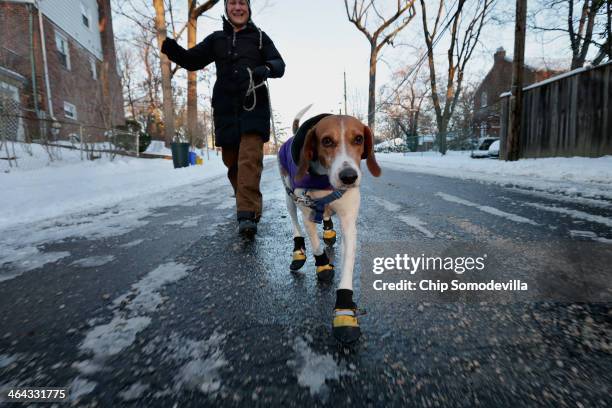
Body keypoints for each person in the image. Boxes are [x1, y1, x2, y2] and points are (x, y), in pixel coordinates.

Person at [161, 0, 285, 235]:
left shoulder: (260, 38)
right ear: (227, 8)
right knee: (233, 163)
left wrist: (266, 69)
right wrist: (169, 47)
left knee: (249, 160)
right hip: (226, 110)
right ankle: (250, 208)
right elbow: (192, 60)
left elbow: (279, 64)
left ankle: (246, 215)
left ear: (248, 9)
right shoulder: (216, 39)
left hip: (253, 106)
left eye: (242, 4)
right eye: (233, 3)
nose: (238, 8)